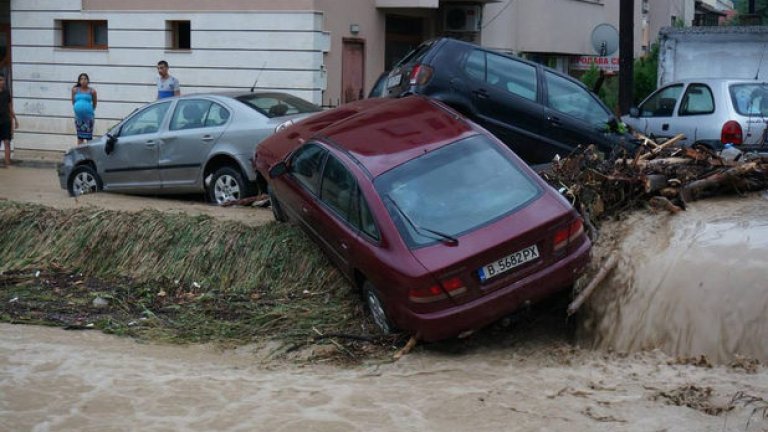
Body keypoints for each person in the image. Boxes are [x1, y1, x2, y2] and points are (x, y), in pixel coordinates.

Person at [71, 73, 97, 145]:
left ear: (88, 80)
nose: (83, 80)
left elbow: (94, 103)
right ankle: (80, 155)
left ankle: (89, 155)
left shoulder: (92, 91)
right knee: (80, 138)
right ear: (79, 81)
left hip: (88, 118)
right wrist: (78, 109)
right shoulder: (75, 90)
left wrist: (88, 110)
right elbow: (73, 102)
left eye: (85, 79)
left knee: (89, 138)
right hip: (79, 118)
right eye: (81, 79)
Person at [0, 74, 18, 167]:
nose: (1, 82)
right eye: (0, 80)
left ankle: (8, 163)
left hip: (6, 121)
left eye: (2, 80)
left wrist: (15, 119)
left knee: (7, 142)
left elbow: (10, 107)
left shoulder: (7, 93)